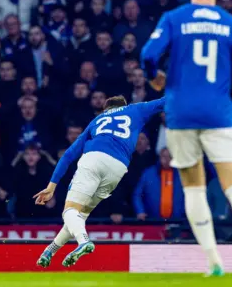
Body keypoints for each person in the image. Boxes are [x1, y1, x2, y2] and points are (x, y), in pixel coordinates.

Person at [140, 0, 232, 276]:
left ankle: (214, 261)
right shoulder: (231, 24)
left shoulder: (174, 19)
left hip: (180, 114)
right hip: (219, 114)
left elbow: (148, 54)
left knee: (195, 189)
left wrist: (155, 77)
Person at [34, 96, 164, 268]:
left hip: (93, 160)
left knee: (70, 211)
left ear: (106, 110)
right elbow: (165, 100)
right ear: (123, 106)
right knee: (79, 216)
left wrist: (51, 187)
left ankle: (84, 242)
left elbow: (69, 154)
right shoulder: (136, 109)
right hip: (118, 168)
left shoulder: (97, 120)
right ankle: (50, 250)